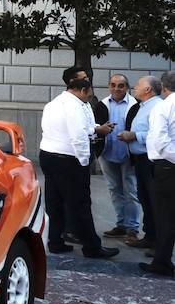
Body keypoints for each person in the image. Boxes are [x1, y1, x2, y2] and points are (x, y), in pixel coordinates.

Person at [39, 67, 119, 259]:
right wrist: (84, 161)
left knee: (55, 202)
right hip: (68, 159)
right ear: (81, 90)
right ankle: (92, 247)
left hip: (49, 156)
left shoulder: (55, 102)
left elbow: (79, 128)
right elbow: (78, 136)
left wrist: (96, 129)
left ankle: (55, 242)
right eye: (88, 94)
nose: (88, 98)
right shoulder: (74, 105)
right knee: (80, 204)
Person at [118, 75, 161, 251]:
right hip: (141, 159)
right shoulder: (143, 106)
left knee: (154, 201)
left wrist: (134, 136)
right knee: (145, 199)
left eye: (138, 85)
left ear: (148, 89)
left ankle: (159, 242)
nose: (134, 87)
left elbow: (156, 134)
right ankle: (150, 236)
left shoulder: (157, 107)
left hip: (151, 160)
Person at [141, 69, 175, 278]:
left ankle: (161, 261)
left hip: (166, 166)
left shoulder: (163, 107)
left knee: (165, 216)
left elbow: (160, 142)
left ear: (163, 88)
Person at [98, 74, 140, 243]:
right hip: (107, 153)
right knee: (114, 190)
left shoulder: (135, 105)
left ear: (127, 87)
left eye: (121, 85)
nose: (116, 88)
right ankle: (121, 224)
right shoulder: (102, 104)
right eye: (113, 85)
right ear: (109, 86)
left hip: (128, 154)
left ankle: (132, 229)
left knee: (131, 192)